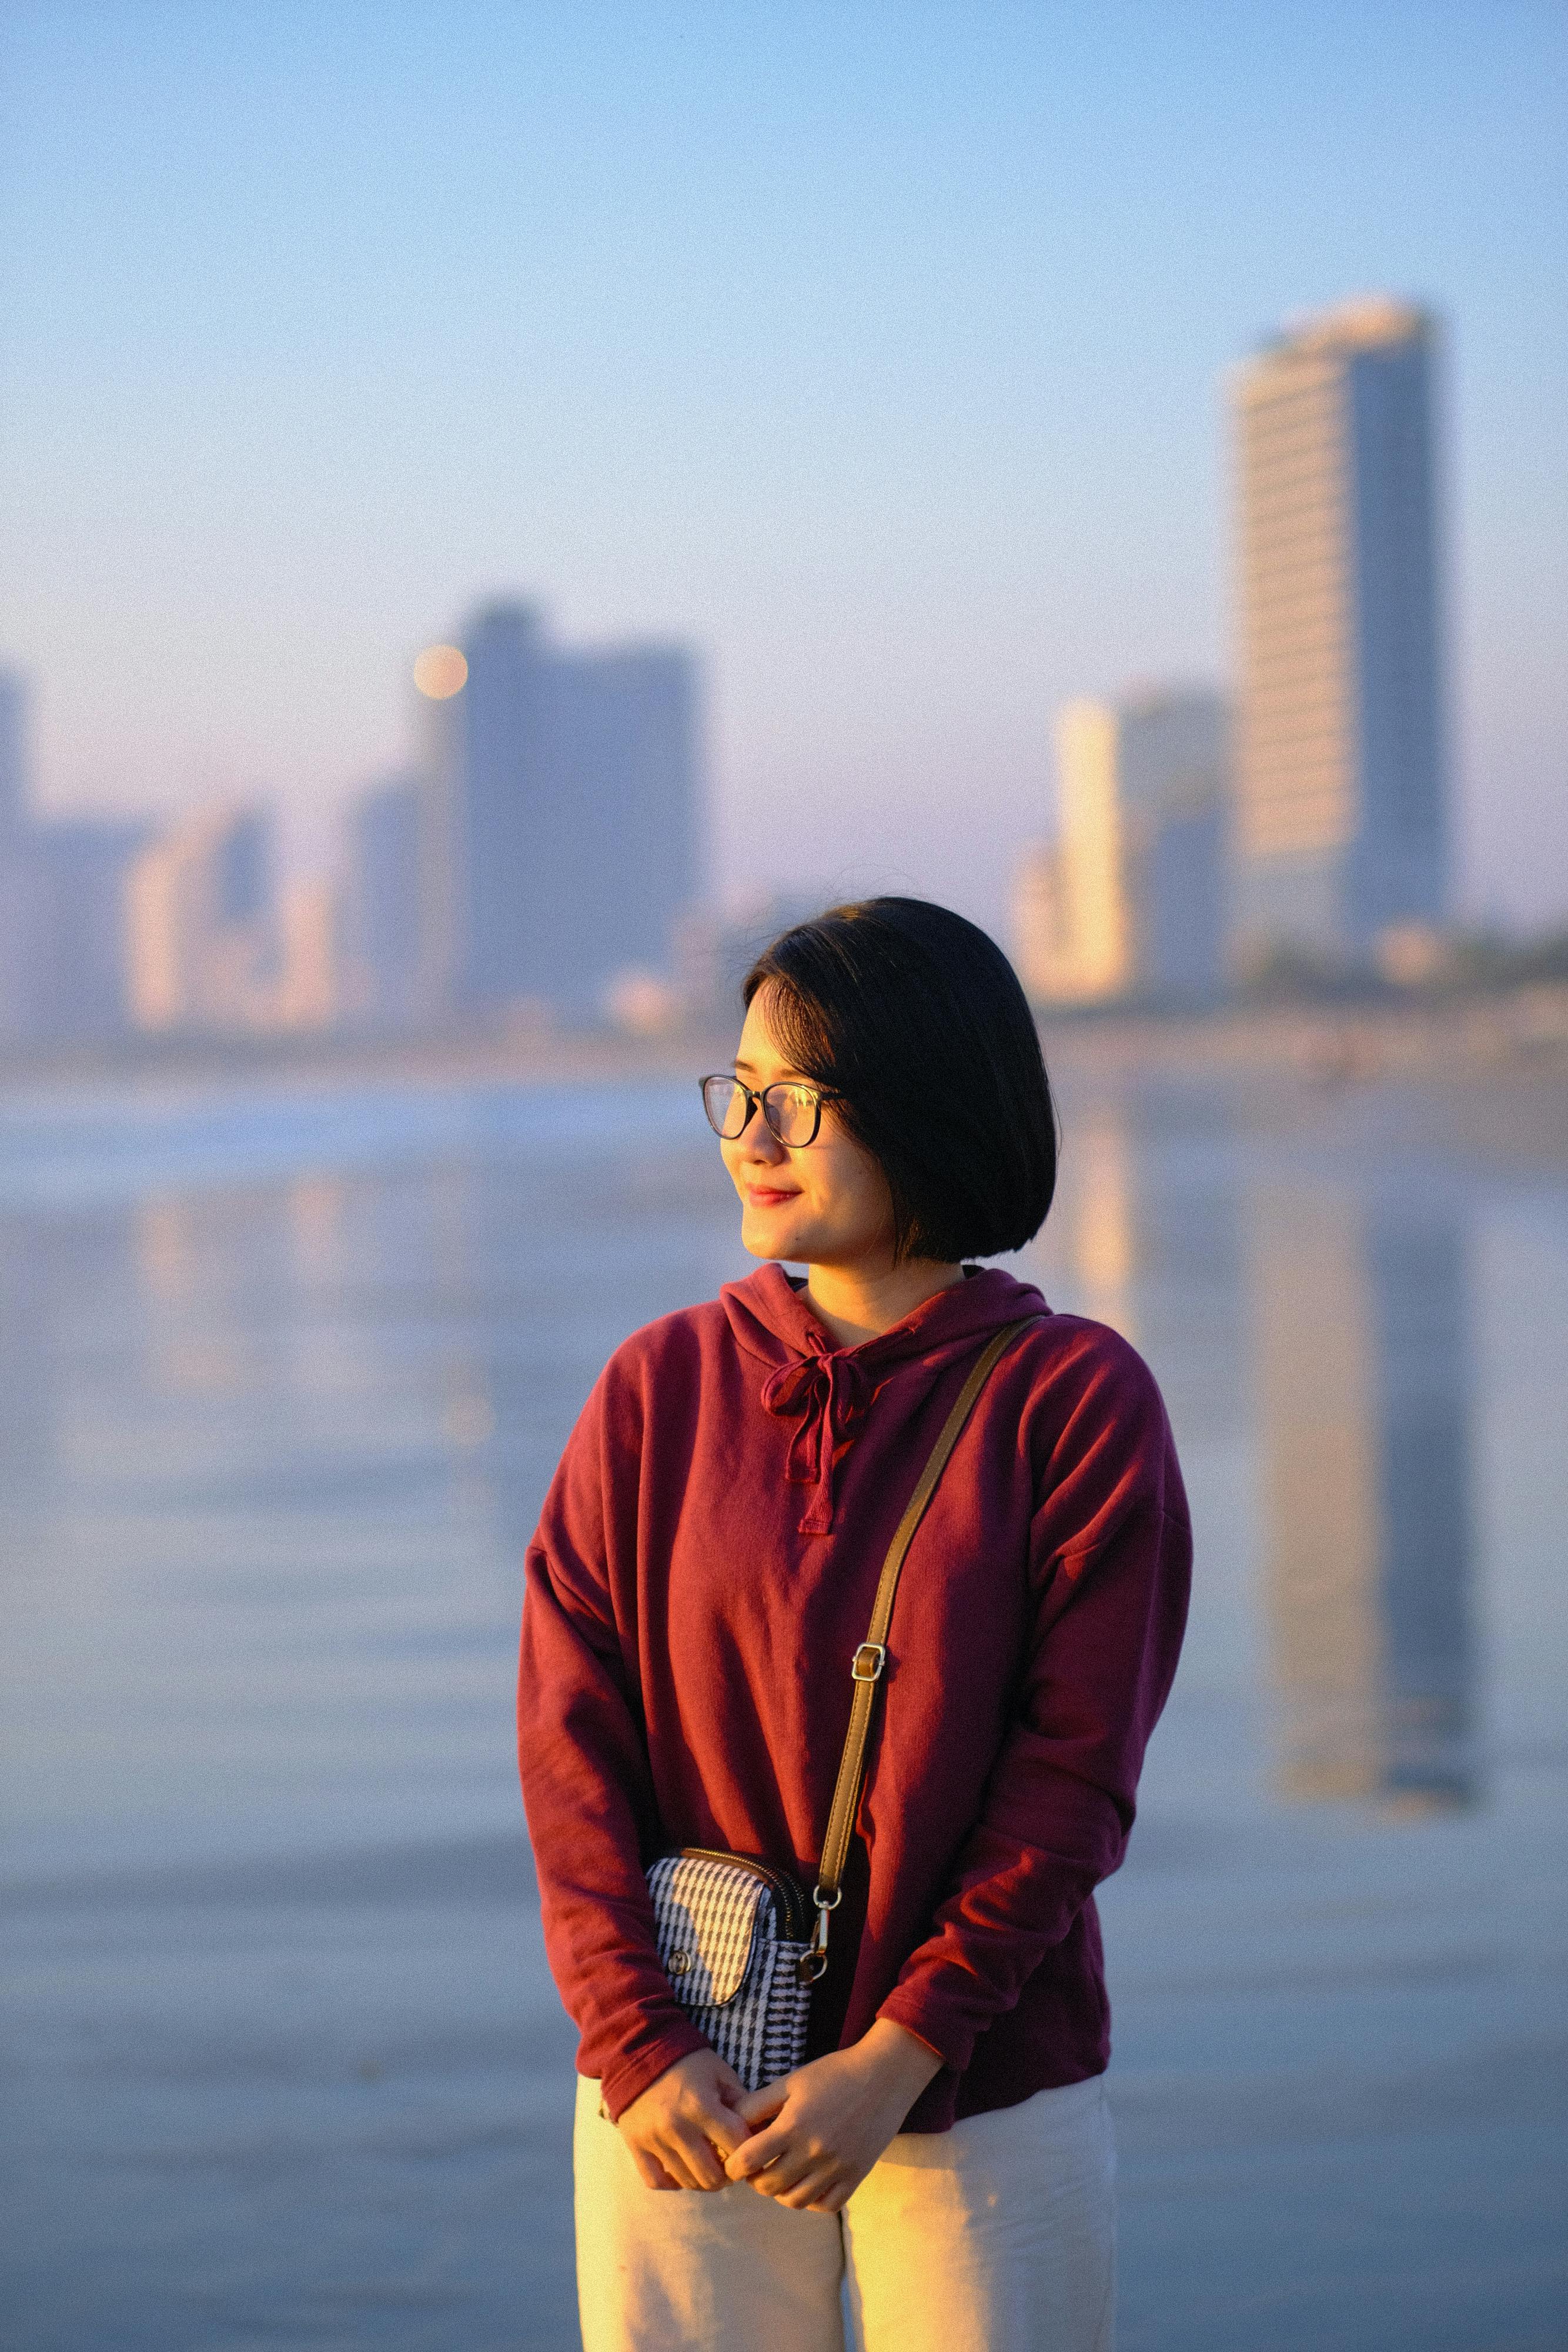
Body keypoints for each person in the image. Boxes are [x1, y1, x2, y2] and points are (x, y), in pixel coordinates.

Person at [518, 897, 1191, 2352]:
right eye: (739, 1091)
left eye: (799, 1098)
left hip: (975, 2096)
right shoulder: (659, 1388)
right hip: (682, 2088)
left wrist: (901, 2049)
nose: (751, 1135)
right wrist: (636, 2046)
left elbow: (1070, 1785)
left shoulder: (1072, 1403)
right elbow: (571, 1751)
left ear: (927, 1102)